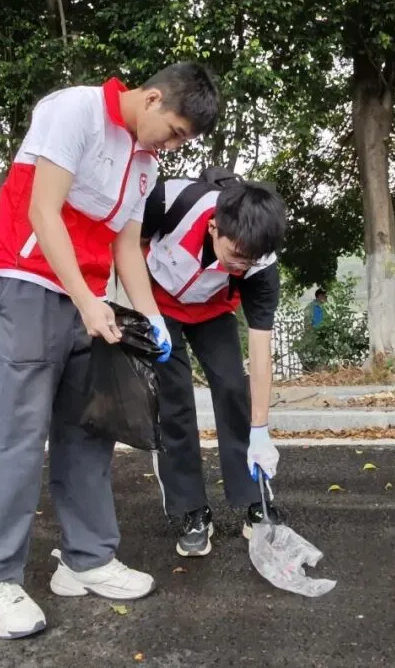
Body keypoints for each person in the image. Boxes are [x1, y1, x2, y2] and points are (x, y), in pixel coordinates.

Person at [0, 63, 220, 640]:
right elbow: (42, 210)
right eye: (175, 131)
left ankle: (87, 558)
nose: (173, 145)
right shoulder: (74, 110)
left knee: (89, 430)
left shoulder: (145, 164)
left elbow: (126, 246)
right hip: (28, 283)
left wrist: (152, 318)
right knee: (15, 435)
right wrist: (85, 299)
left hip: (91, 299)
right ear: (152, 99)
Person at [140, 175, 287, 557]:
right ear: (213, 228)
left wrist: (261, 429)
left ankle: (255, 500)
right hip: (158, 305)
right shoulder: (171, 201)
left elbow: (260, 350)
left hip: (213, 311)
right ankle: (192, 510)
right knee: (173, 400)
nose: (240, 266)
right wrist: (144, 313)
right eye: (235, 254)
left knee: (233, 387)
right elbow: (128, 245)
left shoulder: (260, 264)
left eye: (248, 261)